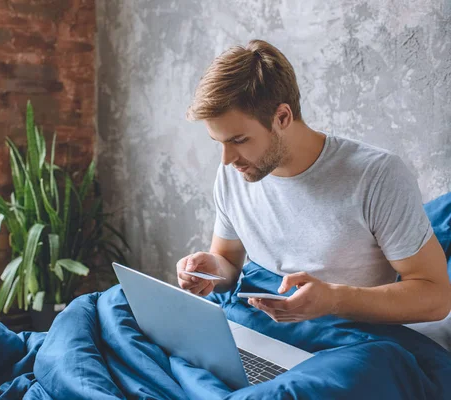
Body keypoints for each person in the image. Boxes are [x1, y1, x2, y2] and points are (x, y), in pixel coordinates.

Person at [177, 39, 450, 324]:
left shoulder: (377, 176)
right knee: (129, 312)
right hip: (259, 321)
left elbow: (436, 297)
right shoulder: (235, 170)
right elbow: (229, 261)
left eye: (239, 140)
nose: (226, 159)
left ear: (282, 117)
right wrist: (211, 270)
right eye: (219, 142)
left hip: (351, 337)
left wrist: (333, 299)